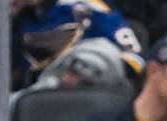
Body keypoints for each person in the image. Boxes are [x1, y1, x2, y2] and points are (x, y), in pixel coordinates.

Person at [8, 0, 143, 90]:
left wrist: (88, 76)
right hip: (32, 106)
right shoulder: (8, 18)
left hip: (87, 98)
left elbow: (134, 60)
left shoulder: (86, 8)